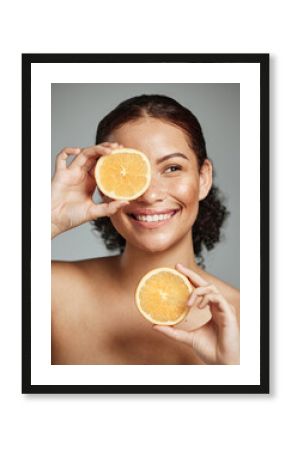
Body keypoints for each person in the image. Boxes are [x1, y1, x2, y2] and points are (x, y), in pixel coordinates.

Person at [51, 94, 240, 365]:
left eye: (172, 168)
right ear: (103, 185)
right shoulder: (52, 293)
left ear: (203, 178)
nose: (150, 195)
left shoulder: (251, 320)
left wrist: (234, 374)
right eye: (127, 172)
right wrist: (48, 218)